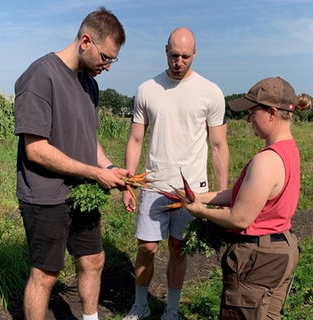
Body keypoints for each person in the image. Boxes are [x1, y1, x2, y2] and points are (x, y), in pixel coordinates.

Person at [13, 7, 128, 320]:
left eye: (112, 60)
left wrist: (109, 169)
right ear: (86, 41)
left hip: (83, 194)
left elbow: (89, 140)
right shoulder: (41, 75)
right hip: (45, 196)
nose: (107, 66)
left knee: (93, 260)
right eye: (106, 57)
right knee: (45, 274)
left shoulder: (90, 84)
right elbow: (36, 150)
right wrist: (93, 172)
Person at [122, 27, 230, 320]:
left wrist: (222, 194)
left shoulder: (211, 92)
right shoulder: (147, 89)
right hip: (153, 185)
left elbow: (219, 145)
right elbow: (135, 139)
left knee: (179, 248)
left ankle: (171, 311)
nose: (178, 62)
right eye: (173, 55)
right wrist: (128, 183)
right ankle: (140, 306)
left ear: (195, 54)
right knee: (146, 248)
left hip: (192, 189)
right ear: (165, 50)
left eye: (185, 56)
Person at [182, 76, 311, 319]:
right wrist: (200, 196)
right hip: (282, 248)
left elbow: (239, 218)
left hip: (257, 259)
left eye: (252, 112)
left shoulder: (266, 161)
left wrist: (200, 212)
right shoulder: (288, 150)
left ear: (272, 112)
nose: (248, 118)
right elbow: (241, 195)